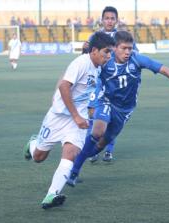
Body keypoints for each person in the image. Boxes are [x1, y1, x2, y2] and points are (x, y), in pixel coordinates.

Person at [66, 31, 169, 186]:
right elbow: (90, 73)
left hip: (125, 110)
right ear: (114, 48)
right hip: (106, 101)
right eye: (124, 48)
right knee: (97, 131)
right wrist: (91, 101)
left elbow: (164, 69)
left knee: (97, 147)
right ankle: (73, 172)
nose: (127, 52)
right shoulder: (106, 61)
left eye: (130, 48)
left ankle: (75, 156)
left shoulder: (137, 59)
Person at [22, 32, 115, 209]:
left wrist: (84, 114)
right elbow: (64, 86)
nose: (108, 56)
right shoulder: (81, 63)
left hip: (76, 121)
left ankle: (51, 194)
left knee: (71, 153)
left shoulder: (98, 67)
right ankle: (32, 143)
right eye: (106, 52)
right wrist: (76, 116)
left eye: (110, 53)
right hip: (58, 117)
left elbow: (87, 92)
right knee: (38, 157)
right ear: (94, 51)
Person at [86, 6, 138, 163]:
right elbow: (89, 56)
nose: (109, 21)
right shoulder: (96, 36)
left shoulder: (121, 36)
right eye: (106, 18)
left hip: (116, 83)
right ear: (102, 20)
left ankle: (108, 150)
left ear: (116, 20)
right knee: (93, 115)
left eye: (112, 18)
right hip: (99, 81)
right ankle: (92, 151)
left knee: (113, 119)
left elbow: (134, 54)